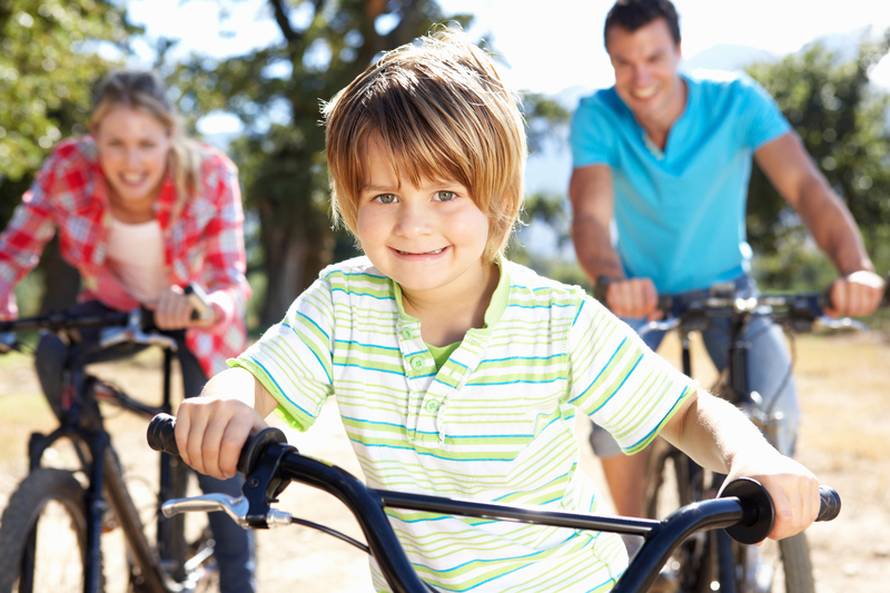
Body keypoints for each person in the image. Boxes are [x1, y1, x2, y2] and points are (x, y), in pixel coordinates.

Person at [171, 28, 824, 593]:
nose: (414, 223)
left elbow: (684, 408)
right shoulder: (344, 304)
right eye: (384, 195)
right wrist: (227, 398)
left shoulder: (556, 320)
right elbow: (256, 374)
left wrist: (753, 453)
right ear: (350, 200)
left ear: (500, 200)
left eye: (446, 191)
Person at [568, 0, 884, 521]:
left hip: (728, 287)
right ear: (610, 63)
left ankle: (753, 557)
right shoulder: (598, 115)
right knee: (612, 418)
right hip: (638, 293)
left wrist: (854, 268)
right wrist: (611, 278)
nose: (640, 77)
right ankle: (636, 545)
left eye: (653, 57)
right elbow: (590, 218)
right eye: (623, 62)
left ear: (679, 50)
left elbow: (805, 188)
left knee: (776, 412)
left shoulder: (736, 102)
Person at [0, 69, 256, 592]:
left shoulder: (210, 173)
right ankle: (104, 471)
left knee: (214, 455)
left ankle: (239, 579)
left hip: (194, 320)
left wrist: (199, 306)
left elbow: (231, 282)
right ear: (95, 139)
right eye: (115, 143)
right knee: (52, 352)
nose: (131, 160)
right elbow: (14, 250)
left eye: (146, 143)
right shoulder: (70, 168)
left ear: (169, 137)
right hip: (114, 310)